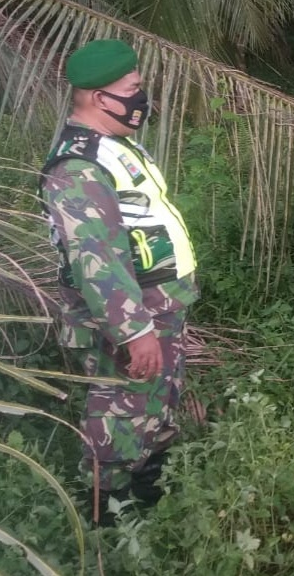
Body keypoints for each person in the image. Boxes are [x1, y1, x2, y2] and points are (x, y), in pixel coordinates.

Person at [39, 38, 199, 524]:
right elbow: (97, 260)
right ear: (97, 98)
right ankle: (103, 514)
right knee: (120, 412)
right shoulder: (78, 166)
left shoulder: (113, 144)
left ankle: (149, 494)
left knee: (154, 402)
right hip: (134, 317)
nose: (140, 97)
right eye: (132, 89)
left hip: (157, 305)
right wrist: (135, 332)